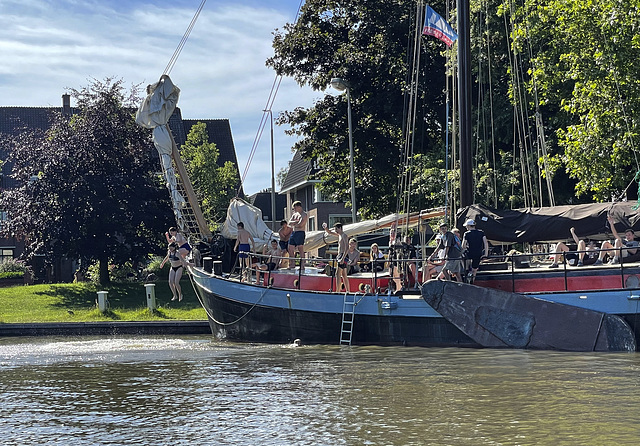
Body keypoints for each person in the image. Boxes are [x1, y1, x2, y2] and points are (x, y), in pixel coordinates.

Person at [323, 222, 350, 292]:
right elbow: (329, 232)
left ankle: (337, 291)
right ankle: (348, 291)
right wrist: (325, 228)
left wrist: (343, 258)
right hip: (340, 256)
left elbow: (347, 247)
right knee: (344, 275)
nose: (336, 231)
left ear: (340, 228)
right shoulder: (339, 235)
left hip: (342, 255)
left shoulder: (344, 236)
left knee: (337, 274)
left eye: (337, 229)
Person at [288, 201, 309, 270]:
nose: (294, 210)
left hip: (300, 233)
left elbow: (300, 225)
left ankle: (302, 265)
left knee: (300, 249)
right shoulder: (295, 215)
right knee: (290, 248)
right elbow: (289, 222)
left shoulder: (304, 214)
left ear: (299, 207)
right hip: (294, 232)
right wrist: (295, 222)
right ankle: (292, 264)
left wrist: (295, 224)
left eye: (295, 208)